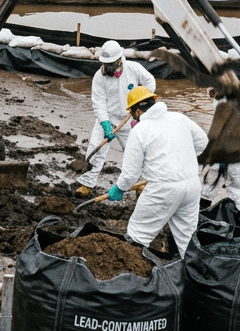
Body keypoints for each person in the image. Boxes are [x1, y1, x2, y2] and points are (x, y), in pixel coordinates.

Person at [105, 86, 209, 257]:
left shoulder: (139, 130)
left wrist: (119, 188)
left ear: (138, 111)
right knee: (186, 238)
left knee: (138, 234)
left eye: (132, 113)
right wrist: (181, 161)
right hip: (191, 185)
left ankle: (134, 274)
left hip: (163, 190)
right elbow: (203, 142)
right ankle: (190, 277)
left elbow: (131, 173)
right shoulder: (180, 118)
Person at [74, 40, 156, 198]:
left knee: (135, 155)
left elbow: (150, 83)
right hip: (107, 119)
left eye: (111, 64)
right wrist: (105, 124)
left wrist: (141, 102)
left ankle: (139, 185)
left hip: (129, 121)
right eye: (105, 64)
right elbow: (98, 102)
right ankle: (87, 184)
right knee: (95, 150)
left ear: (119, 60)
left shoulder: (134, 69)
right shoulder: (99, 77)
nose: (108, 68)